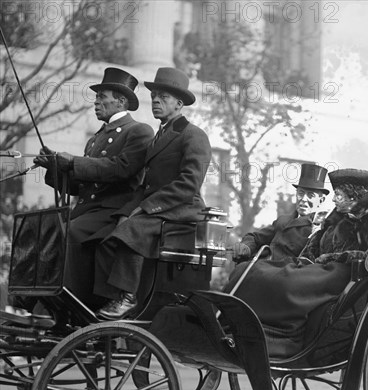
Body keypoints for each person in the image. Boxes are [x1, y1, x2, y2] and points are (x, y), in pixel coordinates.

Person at [225, 168, 368, 357]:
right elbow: (314, 246)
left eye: (339, 196)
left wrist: (334, 258)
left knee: (287, 283)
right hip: (321, 268)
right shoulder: (334, 219)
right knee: (254, 271)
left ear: (353, 197)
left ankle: (285, 338)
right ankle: (243, 326)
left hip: (345, 274)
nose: (334, 200)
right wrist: (305, 260)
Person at [94, 67, 211, 320]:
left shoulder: (193, 136)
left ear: (179, 104)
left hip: (183, 211)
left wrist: (146, 208)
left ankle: (127, 297)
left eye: (163, 97)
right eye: (154, 96)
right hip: (158, 211)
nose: (156, 101)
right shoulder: (159, 137)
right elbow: (145, 185)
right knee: (108, 236)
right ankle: (107, 300)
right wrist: (125, 211)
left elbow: (189, 184)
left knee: (131, 231)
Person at [34, 67, 154, 306]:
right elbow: (82, 186)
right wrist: (55, 167)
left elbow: (121, 169)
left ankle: (66, 304)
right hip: (89, 213)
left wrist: (74, 162)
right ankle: (38, 299)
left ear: (121, 102)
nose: (96, 102)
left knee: (67, 232)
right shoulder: (95, 138)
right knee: (42, 228)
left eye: (102, 97)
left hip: (112, 213)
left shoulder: (139, 131)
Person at [233, 163, 329, 262]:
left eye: (311, 195)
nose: (304, 199)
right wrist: (246, 247)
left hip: (291, 273)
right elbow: (254, 237)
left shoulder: (320, 228)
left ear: (321, 200)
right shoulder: (283, 220)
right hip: (266, 266)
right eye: (301, 193)